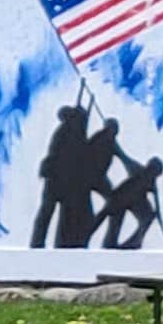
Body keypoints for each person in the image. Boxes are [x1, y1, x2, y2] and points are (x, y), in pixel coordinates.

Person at [29, 102, 103, 248]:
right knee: (48, 212)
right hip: (58, 180)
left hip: (60, 180)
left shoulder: (70, 132)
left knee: (54, 213)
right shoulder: (69, 133)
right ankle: (38, 242)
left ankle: (48, 242)